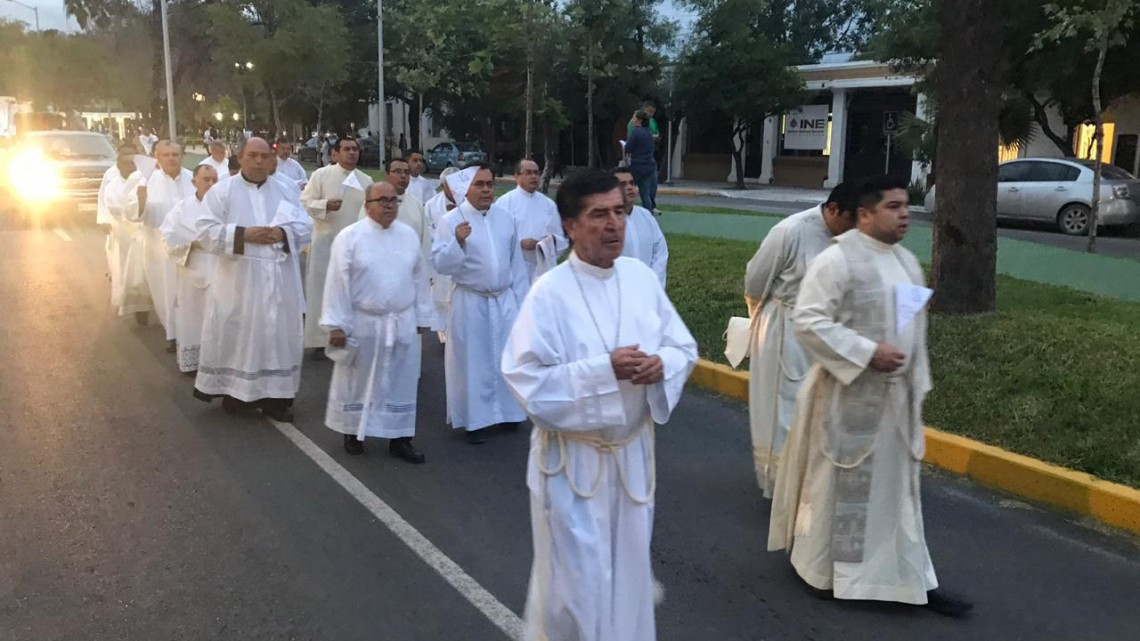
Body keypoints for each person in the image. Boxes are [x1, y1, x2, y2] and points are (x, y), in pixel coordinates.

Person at [501, 169, 697, 641]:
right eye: (598, 215)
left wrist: (661, 367)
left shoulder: (639, 277)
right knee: (578, 586)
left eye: (619, 212)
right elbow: (526, 382)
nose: (614, 225)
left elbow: (682, 348)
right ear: (570, 226)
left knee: (628, 578)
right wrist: (602, 370)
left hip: (631, 459)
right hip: (573, 467)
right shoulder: (549, 293)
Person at [769, 175, 971, 617]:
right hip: (847, 399)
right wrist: (866, 353)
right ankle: (828, 574)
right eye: (894, 207)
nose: (905, 215)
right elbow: (810, 321)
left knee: (898, 494)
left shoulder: (905, 261)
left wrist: (915, 381)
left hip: (895, 400)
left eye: (905, 206)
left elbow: (913, 326)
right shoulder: (837, 261)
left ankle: (910, 578)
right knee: (843, 490)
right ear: (865, 214)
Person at [743, 183, 858, 496]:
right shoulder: (790, 231)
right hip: (784, 328)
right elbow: (755, 280)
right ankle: (779, 482)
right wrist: (761, 324)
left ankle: (812, 478)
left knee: (820, 406)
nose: (851, 229)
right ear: (832, 209)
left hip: (825, 331)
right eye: (848, 221)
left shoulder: (852, 239)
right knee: (786, 405)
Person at [192, 138, 312, 422]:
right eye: (252, 156)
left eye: (264, 156)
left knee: (277, 336)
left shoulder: (285, 189)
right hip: (240, 278)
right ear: (240, 158)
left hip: (280, 277)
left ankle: (276, 399)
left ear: (271, 160)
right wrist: (243, 234)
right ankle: (237, 394)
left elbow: (305, 225)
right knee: (242, 334)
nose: (259, 161)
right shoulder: (222, 192)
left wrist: (283, 235)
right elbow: (204, 231)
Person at [322, 182, 432, 463]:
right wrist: (336, 324)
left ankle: (400, 437)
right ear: (367, 204)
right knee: (358, 381)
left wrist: (422, 315)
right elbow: (337, 282)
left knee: (401, 382)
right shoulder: (350, 237)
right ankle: (353, 431)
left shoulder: (407, 235)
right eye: (381, 200)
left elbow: (419, 278)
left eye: (393, 200)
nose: (388, 205)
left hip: (401, 321)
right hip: (364, 322)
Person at [431, 164, 529, 444]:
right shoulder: (451, 221)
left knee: (505, 359)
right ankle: (476, 420)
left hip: (503, 299)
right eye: (479, 185)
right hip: (471, 301)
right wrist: (457, 242)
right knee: (473, 363)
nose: (486, 190)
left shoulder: (506, 218)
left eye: (490, 184)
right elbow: (440, 263)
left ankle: (510, 413)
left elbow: (517, 266)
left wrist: (521, 307)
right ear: (466, 189)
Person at [300, 136, 374, 351]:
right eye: (347, 149)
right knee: (322, 290)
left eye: (355, 149)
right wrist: (325, 205)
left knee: (352, 292)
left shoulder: (366, 180)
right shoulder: (321, 175)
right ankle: (319, 340)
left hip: (356, 247)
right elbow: (305, 202)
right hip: (326, 242)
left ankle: (349, 335)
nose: (352, 153)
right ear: (335, 154)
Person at [125, 140, 193, 349]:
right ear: (157, 157)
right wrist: (141, 201)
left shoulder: (192, 179)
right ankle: (172, 334)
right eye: (166, 155)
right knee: (167, 293)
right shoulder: (145, 182)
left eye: (175, 154)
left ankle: (191, 334)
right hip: (159, 249)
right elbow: (131, 213)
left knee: (190, 293)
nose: (172, 158)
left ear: (182, 156)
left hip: (191, 248)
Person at [159, 165, 219, 374]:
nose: (211, 184)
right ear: (194, 182)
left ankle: (218, 360)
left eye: (214, 180)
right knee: (193, 314)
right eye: (206, 180)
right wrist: (191, 244)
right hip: (193, 265)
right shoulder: (181, 208)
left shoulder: (225, 207)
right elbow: (167, 236)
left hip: (222, 268)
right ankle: (193, 361)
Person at [97, 144, 148, 320]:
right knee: (123, 268)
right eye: (127, 163)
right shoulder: (111, 179)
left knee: (142, 271)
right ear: (119, 165)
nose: (131, 166)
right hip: (122, 232)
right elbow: (106, 201)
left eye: (134, 162)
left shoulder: (144, 178)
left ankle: (145, 305)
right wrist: (103, 218)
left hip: (143, 231)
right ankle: (130, 303)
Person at [498, 159, 567, 286]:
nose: (533, 177)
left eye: (536, 173)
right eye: (528, 173)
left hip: (541, 267)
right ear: (517, 176)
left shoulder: (548, 204)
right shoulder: (504, 203)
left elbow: (560, 239)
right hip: (515, 268)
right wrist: (520, 244)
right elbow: (496, 239)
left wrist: (547, 243)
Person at [612, 168, 668, 286]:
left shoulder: (646, 216)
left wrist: (652, 284)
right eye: (622, 184)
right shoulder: (605, 222)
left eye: (632, 183)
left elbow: (660, 252)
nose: (629, 188)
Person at [423, 166, 460, 338]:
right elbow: (428, 232)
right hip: (440, 258)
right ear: (443, 185)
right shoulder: (432, 205)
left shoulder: (468, 202)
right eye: (450, 185)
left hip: (462, 260)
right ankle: (444, 335)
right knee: (442, 300)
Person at [379, 157, 431, 261]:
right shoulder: (374, 202)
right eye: (397, 172)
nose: (403, 176)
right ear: (387, 175)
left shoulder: (416, 204)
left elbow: (425, 241)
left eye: (407, 172)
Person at [625, 111, 658, 214]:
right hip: (649, 165)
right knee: (645, 193)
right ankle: (648, 214)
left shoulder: (635, 132)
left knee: (629, 190)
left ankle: (628, 212)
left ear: (639, 120)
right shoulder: (649, 132)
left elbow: (628, 147)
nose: (632, 121)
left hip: (636, 165)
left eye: (634, 118)